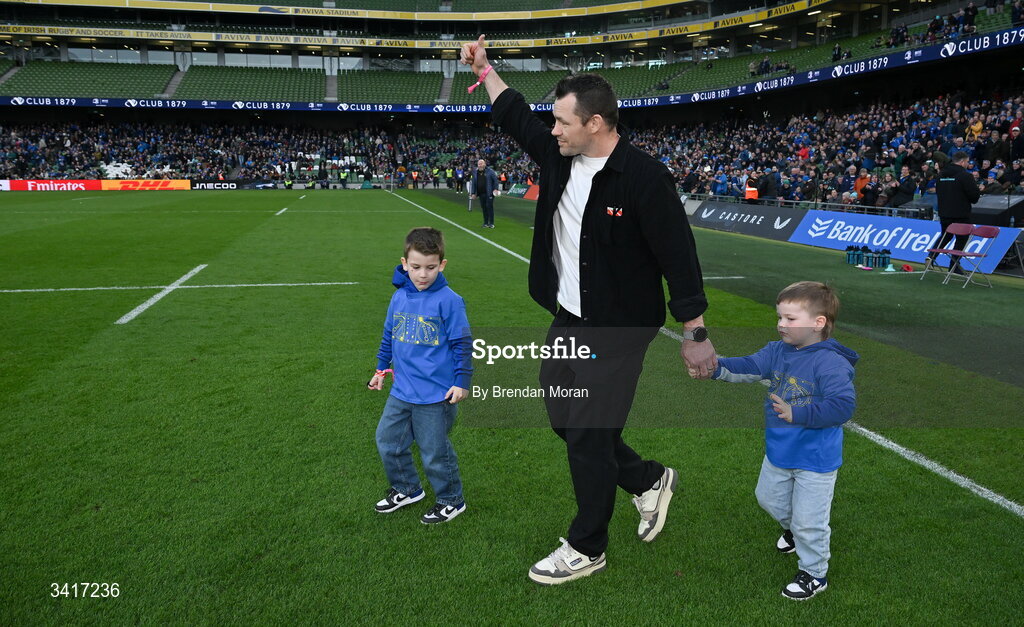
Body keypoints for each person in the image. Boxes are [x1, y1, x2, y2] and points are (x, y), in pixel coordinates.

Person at [461, 35, 714, 586]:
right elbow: (512, 115)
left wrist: (695, 331)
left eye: (562, 122)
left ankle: (587, 545)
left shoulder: (646, 179)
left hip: (623, 326)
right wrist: (485, 71)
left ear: (595, 123)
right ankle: (648, 480)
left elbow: (680, 257)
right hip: (571, 318)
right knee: (564, 418)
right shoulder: (558, 155)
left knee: (589, 434)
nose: (551, 129)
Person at [711, 281, 858, 600]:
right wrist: (714, 368)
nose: (781, 324)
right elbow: (749, 367)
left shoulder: (830, 362)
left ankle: (814, 574)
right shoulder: (777, 350)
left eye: (790, 319)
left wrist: (798, 413)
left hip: (816, 461)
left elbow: (843, 405)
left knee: (810, 522)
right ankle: (794, 530)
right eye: (779, 317)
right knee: (768, 499)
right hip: (779, 452)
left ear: (819, 323)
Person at [368, 227, 473, 525]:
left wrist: (462, 381)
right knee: (388, 441)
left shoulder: (450, 300)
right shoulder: (399, 296)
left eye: (430, 267)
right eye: (415, 267)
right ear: (404, 263)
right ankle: (407, 489)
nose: (422, 274)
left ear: (442, 264)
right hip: (401, 390)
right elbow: (389, 335)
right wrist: (380, 369)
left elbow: (462, 343)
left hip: (436, 394)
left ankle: (452, 499)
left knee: (434, 452)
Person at [929, 151, 981, 274]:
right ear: (962, 161)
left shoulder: (941, 175)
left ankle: (931, 256)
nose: (967, 164)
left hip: (944, 212)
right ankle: (954, 264)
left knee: (946, 235)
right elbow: (974, 197)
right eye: (967, 162)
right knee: (962, 238)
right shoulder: (965, 176)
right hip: (960, 213)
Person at [471, 158, 500, 228]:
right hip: (481, 193)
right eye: (479, 164)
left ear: (484, 164)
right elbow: (474, 183)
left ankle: (491, 223)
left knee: (489, 207)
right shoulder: (475, 172)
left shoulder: (490, 171)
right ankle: (485, 222)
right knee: (483, 208)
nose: (480, 165)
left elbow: (495, 181)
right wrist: (473, 193)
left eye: (481, 164)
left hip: (489, 193)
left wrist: (496, 189)